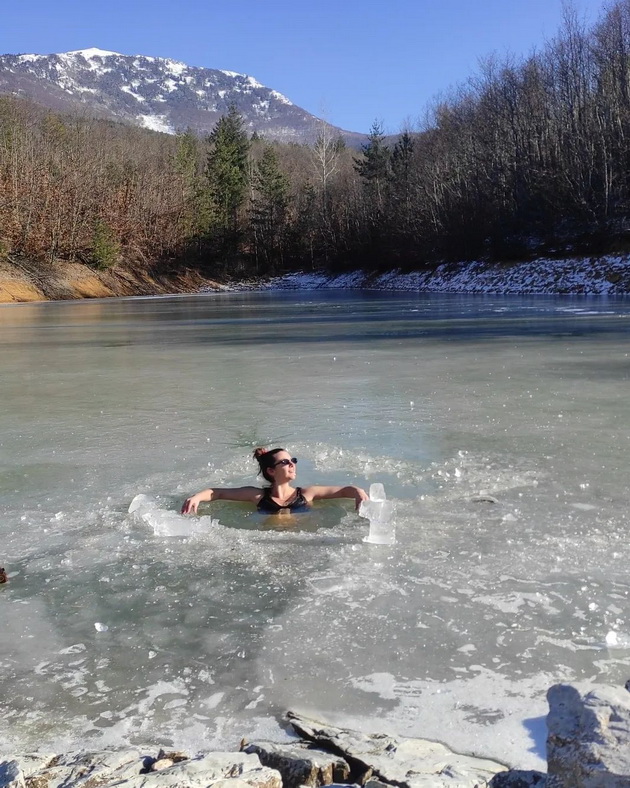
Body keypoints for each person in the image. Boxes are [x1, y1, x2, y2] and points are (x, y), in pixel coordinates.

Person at [181, 447, 369, 515]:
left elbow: (345, 491)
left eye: (293, 461)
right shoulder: (257, 496)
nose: (292, 464)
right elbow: (218, 493)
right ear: (271, 471)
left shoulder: (306, 494)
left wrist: (358, 492)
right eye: (285, 462)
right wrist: (197, 497)